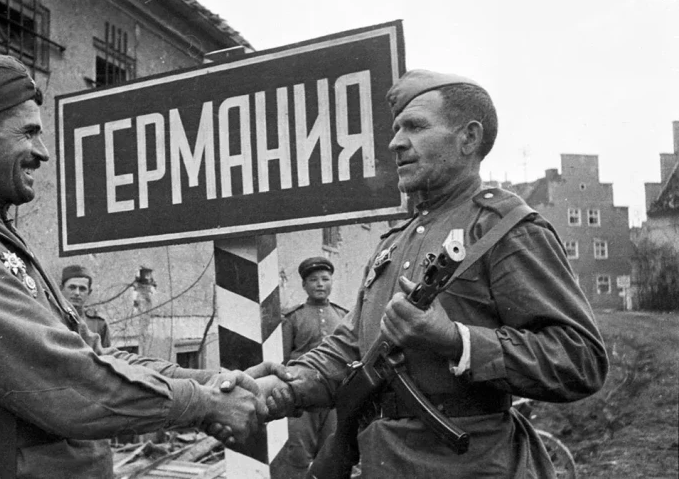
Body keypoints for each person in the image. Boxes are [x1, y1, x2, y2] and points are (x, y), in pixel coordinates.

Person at [0, 54, 284, 478]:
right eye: (28, 133)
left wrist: (213, 382)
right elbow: (69, 382)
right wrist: (206, 402)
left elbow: (94, 354)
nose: (42, 152)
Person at [260, 69, 609, 478]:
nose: (395, 142)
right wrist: (282, 387)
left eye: (415, 126)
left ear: (469, 138)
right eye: (396, 129)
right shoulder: (393, 243)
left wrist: (455, 340)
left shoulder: (505, 229)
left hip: (472, 467)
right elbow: (350, 346)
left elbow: (580, 359)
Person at [271, 257, 348, 479]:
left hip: (335, 397)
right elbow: (283, 360)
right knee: (297, 452)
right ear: (304, 285)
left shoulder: (343, 316)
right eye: (313, 280)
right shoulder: (293, 317)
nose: (320, 284)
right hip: (301, 397)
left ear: (332, 282)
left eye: (325, 279)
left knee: (331, 452)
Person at [61, 265, 112, 348]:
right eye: (72, 287)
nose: (77, 293)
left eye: (82, 289)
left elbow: (106, 353)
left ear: (89, 292)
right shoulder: (53, 318)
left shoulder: (98, 324)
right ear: (61, 289)